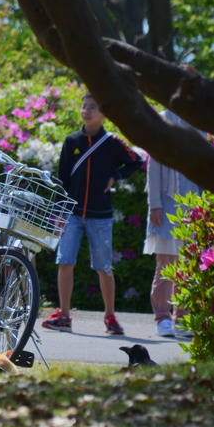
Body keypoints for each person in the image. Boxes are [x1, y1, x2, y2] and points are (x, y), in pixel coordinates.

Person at [42, 92, 143, 335]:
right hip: (72, 213)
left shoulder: (112, 142)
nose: (86, 111)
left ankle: (110, 317)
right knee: (65, 261)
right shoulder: (71, 141)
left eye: (93, 107)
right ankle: (64, 315)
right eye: (84, 106)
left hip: (101, 215)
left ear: (104, 113)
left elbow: (135, 161)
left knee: (104, 267)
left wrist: (116, 176)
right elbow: (62, 178)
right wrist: (58, 211)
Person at [145, 108, 202, 340]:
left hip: (194, 201)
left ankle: (182, 318)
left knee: (189, 263)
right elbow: (153, 165)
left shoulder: (200, 118)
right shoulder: (163, 117)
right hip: (167, 202)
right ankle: (162, 317)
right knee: (166, 262)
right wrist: (154, 203)